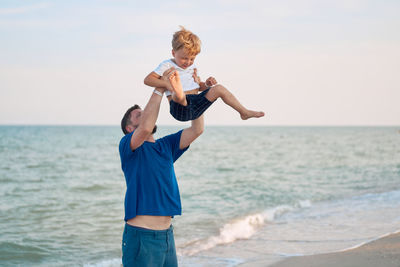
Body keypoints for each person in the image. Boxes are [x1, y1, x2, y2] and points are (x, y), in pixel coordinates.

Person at [119, 69, 204, 267]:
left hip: (167, 236)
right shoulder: (128, 146)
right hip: (141, 237)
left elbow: (197, 129)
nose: (147, 114)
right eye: (140, 114)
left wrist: (192, 94)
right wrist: (160, 86)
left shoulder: (166, 146)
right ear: (130, 129)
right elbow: (146, 128)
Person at [144, 26, 265, 122]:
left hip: (195, 105)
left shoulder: (193, 67)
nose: (188, 62)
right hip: (178, 108)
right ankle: (178, 91)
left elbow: (198, 87)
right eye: (184, 58)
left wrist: (206, 84)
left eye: (192, 59)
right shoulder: (167, 65)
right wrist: (168, 85)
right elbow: (148, 80)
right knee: (179, 94)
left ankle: (243, 112)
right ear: (173, 52)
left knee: (219, 89)